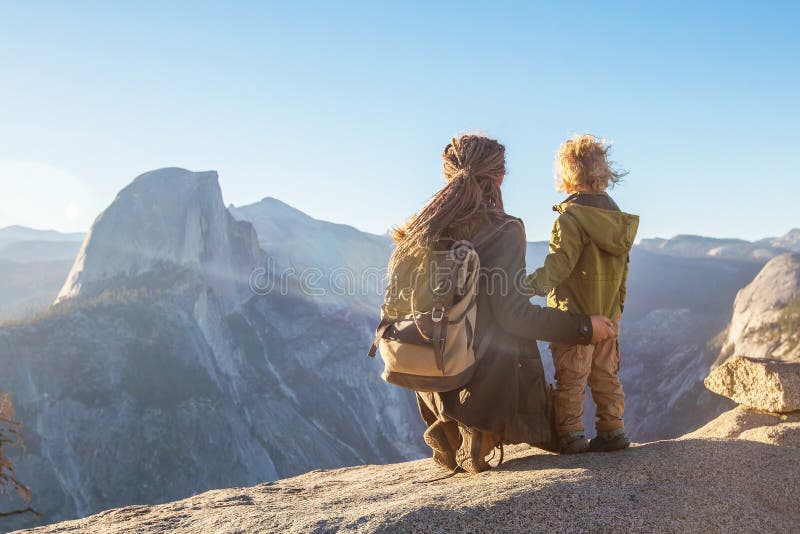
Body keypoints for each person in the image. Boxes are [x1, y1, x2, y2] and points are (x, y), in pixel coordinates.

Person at [389, 134, 616, 474]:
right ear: (499, 177)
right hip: (487, 383)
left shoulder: (420, 229)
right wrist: (584, 327)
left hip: (431, 373)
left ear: (447, 173)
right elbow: (516, 316)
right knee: (565, 433)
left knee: (453, 326)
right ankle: (484, 428)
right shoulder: (502, 230)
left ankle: (448, 424)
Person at [525, 134, 639, 454]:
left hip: (575, 317)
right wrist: (616, 311)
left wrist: (527, 286)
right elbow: (623, 273)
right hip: (609, 316)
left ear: (566, 174)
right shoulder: (616, 222)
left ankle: (571, 434)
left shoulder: (570, 219)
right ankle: (613, 429)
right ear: (602, 172)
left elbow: (559, 266)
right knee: (606, 376)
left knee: (572, 378)